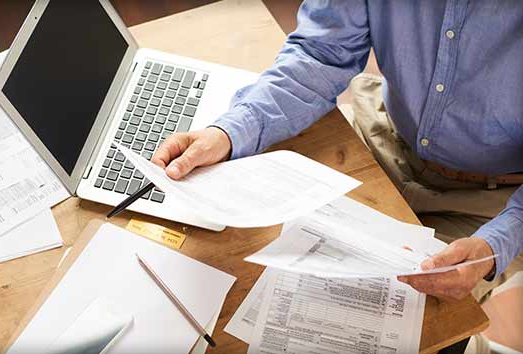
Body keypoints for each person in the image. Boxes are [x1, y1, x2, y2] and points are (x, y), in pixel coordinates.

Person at [151, 0, 523, 303]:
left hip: (496, 202)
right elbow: (321, 54)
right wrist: (231, 132)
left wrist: (496, 245)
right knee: (246, 257)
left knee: (414, 312)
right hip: (384, 131)